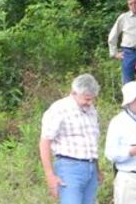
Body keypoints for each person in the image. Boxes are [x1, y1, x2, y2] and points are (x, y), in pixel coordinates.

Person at [39, 74, 103, 204]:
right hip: (69, 168)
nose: (89, 103)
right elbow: (45, 141)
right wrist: (50, 175)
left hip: (90, 168)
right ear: (74, 92)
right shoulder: (59, 109)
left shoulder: (92, 111)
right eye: (86, 99)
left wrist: (97, 170)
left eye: (92, 99)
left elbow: (91, 143)